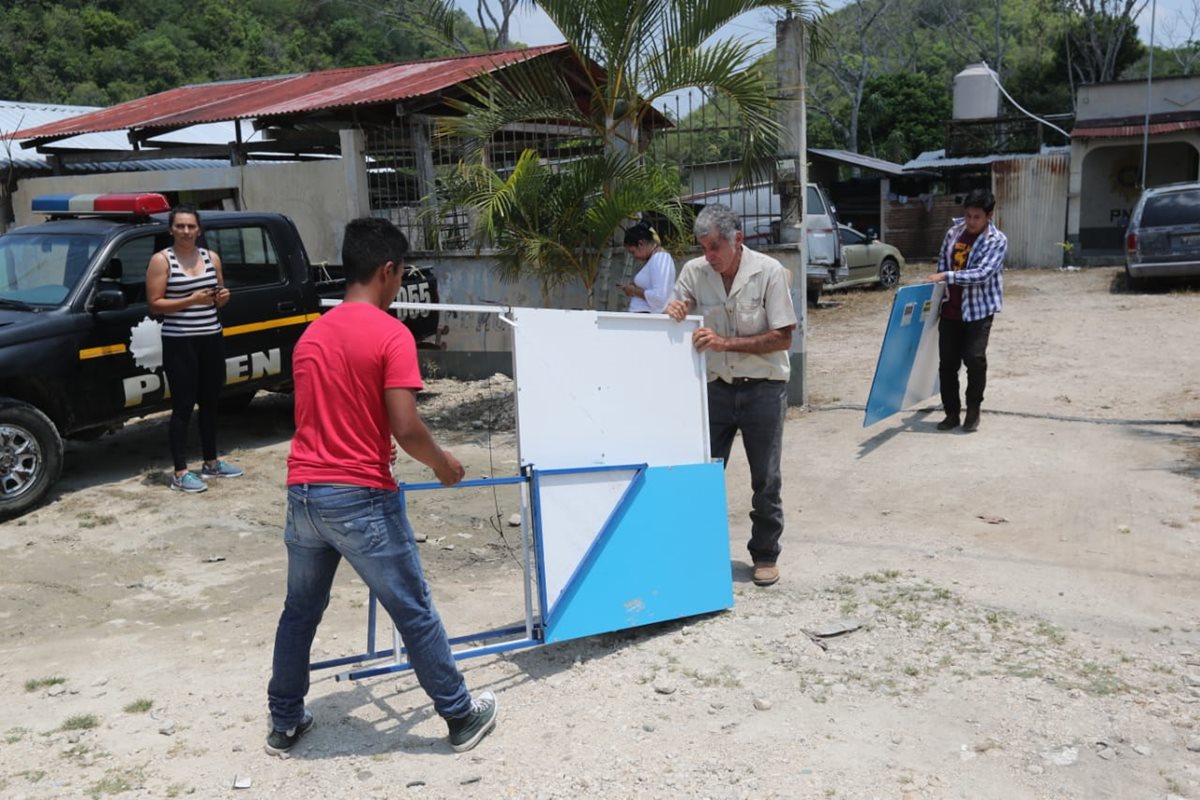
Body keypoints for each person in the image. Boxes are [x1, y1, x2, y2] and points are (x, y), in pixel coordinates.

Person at [265, 217, 497, 757]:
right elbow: (406, 425)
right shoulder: (391, 333)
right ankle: (461, 715)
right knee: (413, 609)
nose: (399, 287)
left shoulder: (311, 335)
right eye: (400, 276)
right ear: (387, 271)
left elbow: (317, 417)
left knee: (299, 611)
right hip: (360, 496)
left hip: (304, 492)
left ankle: (284, 721)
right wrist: (442, 463)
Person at [665, 204, 797, 588]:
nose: (709, 256)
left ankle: (765, 554)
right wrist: (676, 307)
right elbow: (680, 303)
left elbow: (784, 336)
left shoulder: (768, 271)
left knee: (766, 477)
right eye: (703, 247)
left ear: (737, 239)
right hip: (716, 388)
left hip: (763, 388)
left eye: (715, 247)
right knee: (703, 472)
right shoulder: (694, 271)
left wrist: (724, 343)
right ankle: (698, 551)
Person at [146, 204, 242, 493]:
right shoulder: (162, 260)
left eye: (191, 226)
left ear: (199, 229)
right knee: (183, 406)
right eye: (180, 226)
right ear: (171, 229)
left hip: (211, 336)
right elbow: (154, 303)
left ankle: (211, 462)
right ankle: (180, 471)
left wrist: (222, 297)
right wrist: (190, 300)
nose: (186, 231)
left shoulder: (211, 257)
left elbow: (217, 296)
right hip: (179, 340)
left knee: (211, 402)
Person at [924, 188, 1007, 433]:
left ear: (989, 215)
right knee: (947, 364)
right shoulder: (953, 233)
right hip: (950, 309)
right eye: (968, 215)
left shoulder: (997, 240)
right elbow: (942, 262)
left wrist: (946, 275)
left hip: (978, 310)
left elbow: (983, 273)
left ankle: (973, 411)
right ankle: (951, 413)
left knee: (974, 359)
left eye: (977, 217)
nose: (971, 221)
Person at [618, 221, 676, 314]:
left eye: (633, 252)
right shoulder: (655, 258)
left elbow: (659, 297)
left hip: (648, 317)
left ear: (640, 243)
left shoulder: (660, 258)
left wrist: (634, 291)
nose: (634, 256)